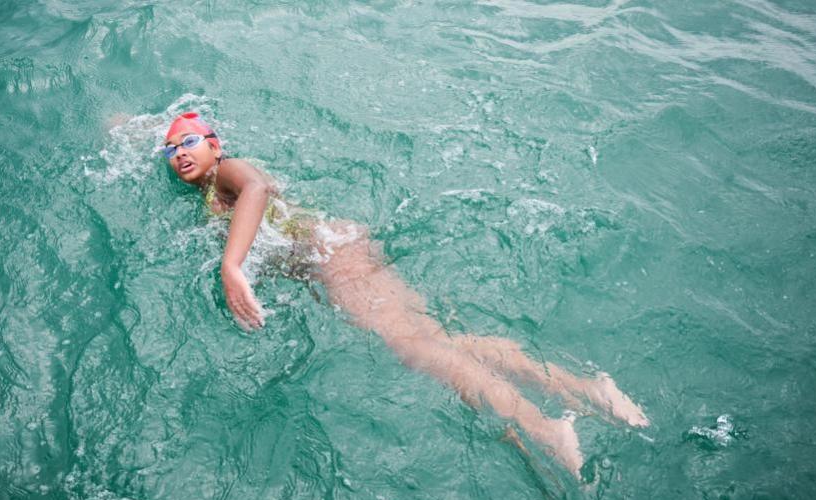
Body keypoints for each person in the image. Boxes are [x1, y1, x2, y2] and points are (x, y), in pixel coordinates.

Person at [161, 112, 648, 476]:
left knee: (416, 349)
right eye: (170, 149)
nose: (179, 152)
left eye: (189, 141)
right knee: (442, 344)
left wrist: (231, 266)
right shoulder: (208, 189)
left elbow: (258, 188)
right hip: (332, 257)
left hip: (334, 257)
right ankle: (588, 390)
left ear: (215, 145)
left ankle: (546, 428)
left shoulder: (229, 172)